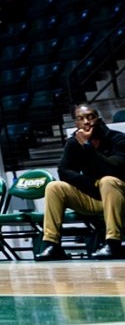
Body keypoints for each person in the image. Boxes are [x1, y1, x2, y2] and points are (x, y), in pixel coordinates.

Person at [35, 105, 125, 261]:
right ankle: (52, 244)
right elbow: (64, 171)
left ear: (98, 119)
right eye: (80, 118)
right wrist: (93, 184)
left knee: (108, 181)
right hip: (94, 196)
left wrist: (87, 147)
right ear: (76, 123)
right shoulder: (73, 143)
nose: (86, 122)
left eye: (90, 117)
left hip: (118, 196)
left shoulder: (118, 139)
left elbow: (113, 168)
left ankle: (113, 243)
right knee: (54, 187)